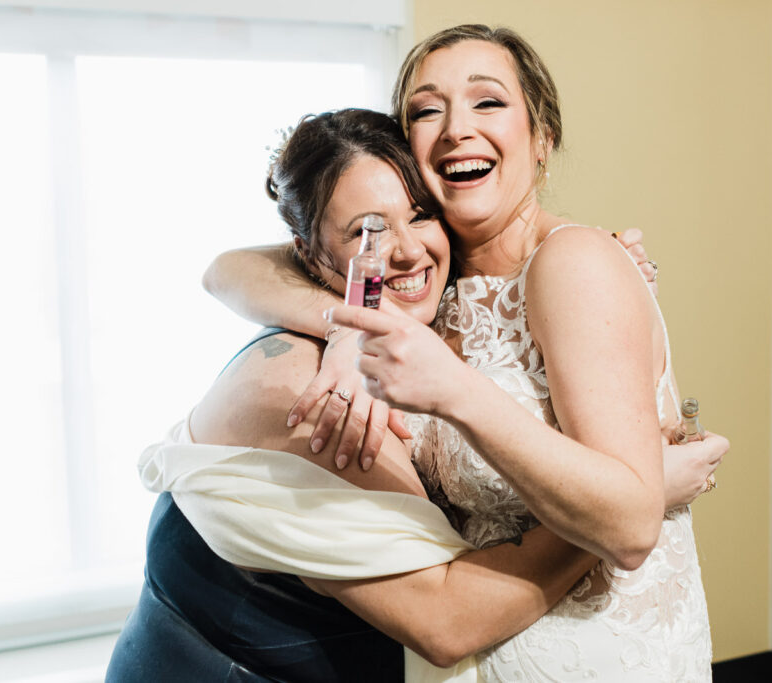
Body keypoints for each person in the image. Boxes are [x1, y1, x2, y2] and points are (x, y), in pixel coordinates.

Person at [108, 108, 719, 683]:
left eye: (421, 213)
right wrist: (639, 497)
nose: (403, 248)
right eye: (366, 230)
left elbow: (237, 267)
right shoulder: (315, 400)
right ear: (310, 253)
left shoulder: (436, 310)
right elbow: (446, 623)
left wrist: (598, 268)